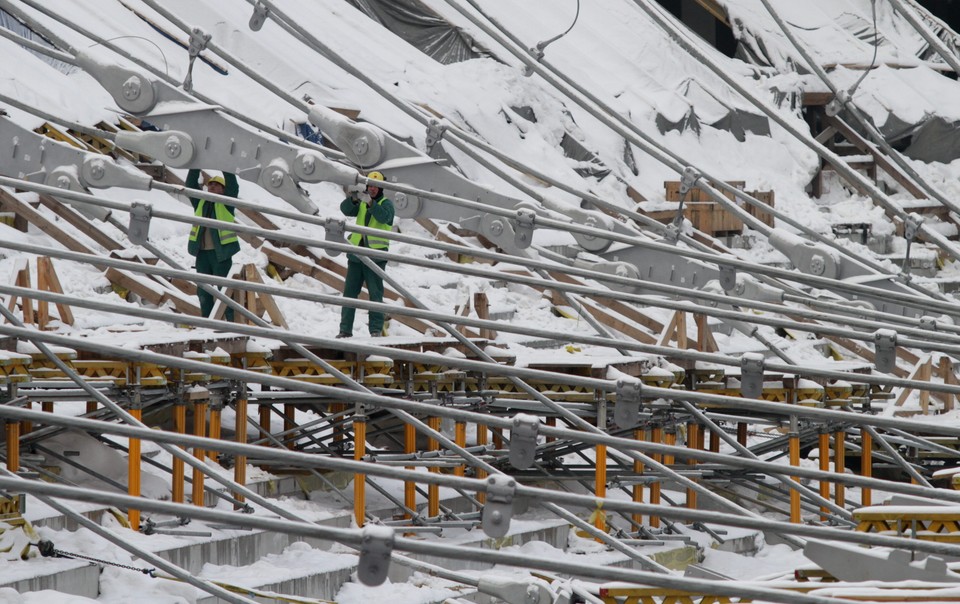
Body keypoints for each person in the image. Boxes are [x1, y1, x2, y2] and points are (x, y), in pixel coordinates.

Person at [337, 171, 395, 338]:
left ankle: (375, 331)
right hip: (356, 256)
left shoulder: (386, 204)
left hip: (375, 256)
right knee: (349, 294)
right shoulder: (363, 202)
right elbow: (345, 209)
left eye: (375, 186)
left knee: (375, 295)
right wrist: (353, 199)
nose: (372, 189)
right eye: (370, 185)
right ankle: (345, 330)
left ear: (381, 187)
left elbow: (384, 217)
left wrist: (371, 204)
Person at [186, 169, 240, 321]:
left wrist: (224, 165)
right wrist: (195, 166)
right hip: (202, 254)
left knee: (225, 290)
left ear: (224, 190)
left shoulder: (227, 203)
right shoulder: (200, 202)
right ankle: (208, 322)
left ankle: (232, 323)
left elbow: (233, 185)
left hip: (220, 255)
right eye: (210, 185)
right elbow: (190, 184)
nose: (213, 187)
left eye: (217, 185)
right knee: (203, 291)